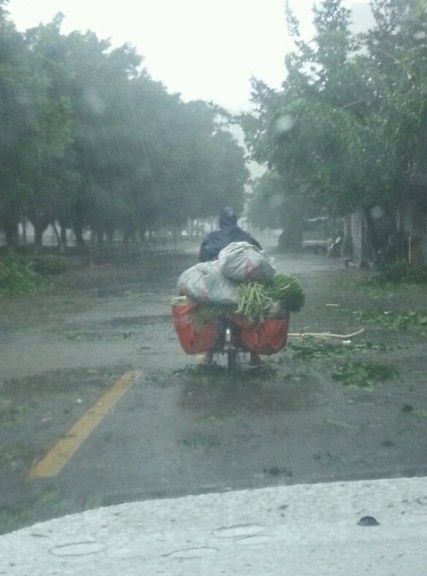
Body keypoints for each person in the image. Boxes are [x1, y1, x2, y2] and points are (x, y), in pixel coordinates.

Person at [198, 207, 262, 366]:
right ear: (235, 220)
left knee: (209, 314)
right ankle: (255, 354)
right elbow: (258, 253)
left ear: (220, 222)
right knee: (252, 312)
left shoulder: (211, 238)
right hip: (241, 288)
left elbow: (201, 259)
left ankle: (208, 354)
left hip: (216, 289)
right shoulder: (245, 237)